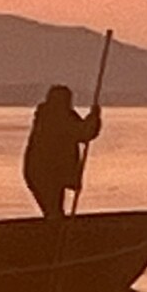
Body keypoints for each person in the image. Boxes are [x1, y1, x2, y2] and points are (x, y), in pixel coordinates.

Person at [22, 85, 102, 218]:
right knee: (53, 211)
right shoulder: (55, 117)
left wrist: (93, 118)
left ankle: (56, 230)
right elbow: (83, 133)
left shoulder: (54, 115)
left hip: (48, 172)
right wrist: (94, 117)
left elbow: (84, 132)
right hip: (44, 172)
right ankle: (57, 233)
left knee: (54, 211)